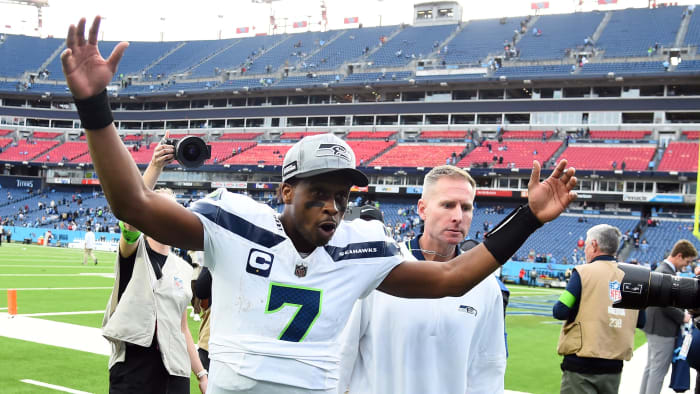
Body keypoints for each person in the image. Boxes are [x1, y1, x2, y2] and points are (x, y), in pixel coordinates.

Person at [61, 16, 577, 394]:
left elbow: (451, 280)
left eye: (342, 196)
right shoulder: (235, 222)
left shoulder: (361, 247)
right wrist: (94, 106)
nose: (332, 207)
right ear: (286, 191)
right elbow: (132, 201)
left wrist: (529, 216)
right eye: (318, 194)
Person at [340, 165, 506, 393]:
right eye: (447, 205)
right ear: (422, 209)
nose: (458, 216)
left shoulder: (485, 284)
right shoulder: (379, 267)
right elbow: (342, 353)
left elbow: (487, 370)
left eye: (466, 208)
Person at [102, 140, 208, 394]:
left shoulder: (183, 268)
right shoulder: (133, 252)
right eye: (155, 207)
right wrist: (155, 166)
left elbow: (182, 328)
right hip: (134, 367)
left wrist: (202, 374)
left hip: (176, 370)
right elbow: (130, 214)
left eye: (171, 208)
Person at [553, 224, 645, 394]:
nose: (585, 250)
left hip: (581, 367)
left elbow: (560, 310)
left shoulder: (582, 272)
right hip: (614, 368)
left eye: (587, 245)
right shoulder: (635, 278)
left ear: (594, 245)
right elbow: (641, 321)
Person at [639, 240, 698, 394]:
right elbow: (664, 304)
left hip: (654, 326)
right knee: (658, 371)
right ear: (679, 255)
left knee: (651, 368)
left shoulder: (662, 269)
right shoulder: (666, 272)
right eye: (687, 261)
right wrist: (683, 316)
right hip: (662, 329)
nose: (686, 265)